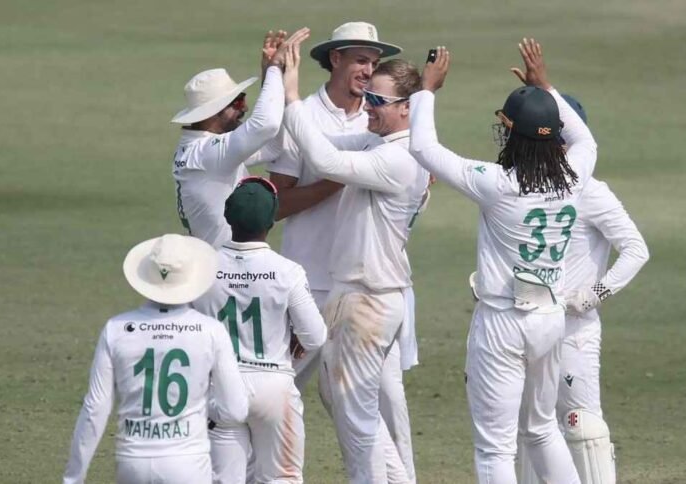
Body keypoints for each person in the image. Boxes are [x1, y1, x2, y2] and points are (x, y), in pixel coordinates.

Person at [409, 40, 594, 484]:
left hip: (502, 322)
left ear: (514, 134)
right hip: (550, 318)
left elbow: (423, 148)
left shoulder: (497, 184)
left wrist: (426, 90)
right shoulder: (576, 175)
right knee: (541, 429)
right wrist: (546, 88)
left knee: (495, 447)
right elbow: (584, 138)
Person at [268, 22, 419, 483]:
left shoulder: (395, 153)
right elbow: (319, 148)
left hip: (367, 298)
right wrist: (276, 86)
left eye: (378, 98)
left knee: (361, 416)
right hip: (345, 290)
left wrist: (289, 93)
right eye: (361, 61)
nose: (369, 100)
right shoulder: (383, 138)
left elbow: (328, 161)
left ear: (406, 108)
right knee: (350, 406)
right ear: (334, 59)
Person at [514, 95, 650, 484]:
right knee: (531, 427)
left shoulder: (590, 191)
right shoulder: (521, 187)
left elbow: (636, 249)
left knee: (582, 426)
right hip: (527, 323)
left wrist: (594, 294)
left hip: (573, 329)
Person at [62, 234, 248, 484]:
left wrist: (73, 477)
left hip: (133, 463)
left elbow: (95, 408)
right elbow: (236, 410)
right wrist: (202, 406)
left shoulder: (116, 328)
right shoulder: (211, 330)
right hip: (188, 464)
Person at [191, 176, 327, 484]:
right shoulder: (287, 271)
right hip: (273, 387)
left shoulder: (202, 267)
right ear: (271, 221)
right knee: (282, 478)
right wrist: (295, 336)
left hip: (219, 387)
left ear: (228, 217)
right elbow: (316, 336)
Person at [172, 28, 309, 247]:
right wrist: (274, 69)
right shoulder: (208, 152)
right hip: (218, 264)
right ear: (212, 113)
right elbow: (266, 126)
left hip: (217, 261)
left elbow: (272, 146)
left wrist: (271, 75)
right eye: (237, 102)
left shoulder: (200, 148)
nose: (244, 107)